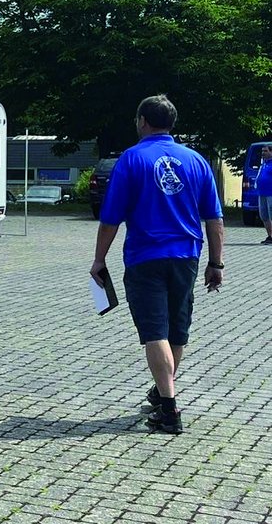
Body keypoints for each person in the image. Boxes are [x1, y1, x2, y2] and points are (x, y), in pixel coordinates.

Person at [89, 95, 224, 434]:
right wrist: (216, 263)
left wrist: (99, 259)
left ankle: (169, 410)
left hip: (145, 257)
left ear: (143, 121)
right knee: (177, 330)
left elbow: (110, 219)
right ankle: (163, 389)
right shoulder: (196, 161)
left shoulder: (131, 159)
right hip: (186, 257)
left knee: (154, 332)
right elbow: (214, 218)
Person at [256, 144, 272, 245]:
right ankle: (270, 236)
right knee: (264, 216)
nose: (263, 153)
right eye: (262, 151)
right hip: (262, 193)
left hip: (271, 194)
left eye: (265, 151)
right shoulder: (263, 164)